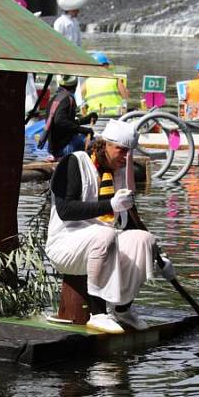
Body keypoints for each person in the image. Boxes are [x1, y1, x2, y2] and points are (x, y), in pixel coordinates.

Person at [45, 119, 175, 334]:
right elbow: (65, 210)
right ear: (104, 144)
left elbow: (131, 220)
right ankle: (98, 313)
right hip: (65, 245)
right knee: (104, 233)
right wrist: (109, 205)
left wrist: (159, 256)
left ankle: (122, 309)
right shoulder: (73, 163)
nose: (126, 158)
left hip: (103, 243)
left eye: (129, 152)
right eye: (121, 151)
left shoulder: (120, 173)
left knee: (143, 240)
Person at [40, 74, 96, 159]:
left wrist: (86, 120)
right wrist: (83, 130)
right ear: (75, 85)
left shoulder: (54, 98)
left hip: (53, 149)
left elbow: (65, 123)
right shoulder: (68, 98)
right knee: (94, 143)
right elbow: (60, 121)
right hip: (64, 148)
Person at [81, 52, 130, 116]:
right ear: (106, 66)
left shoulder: (86, 82)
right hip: (114, 118)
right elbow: (125, 97)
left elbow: (80, 100)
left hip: (93, 119)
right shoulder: (115, 79)